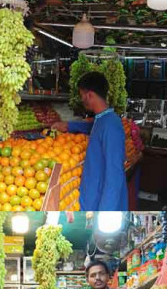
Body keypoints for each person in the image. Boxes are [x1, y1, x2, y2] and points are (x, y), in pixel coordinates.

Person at [51, 72, 128, 210]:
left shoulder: (111, 126)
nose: (82, 99)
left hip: (100, 205)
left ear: (90, 95)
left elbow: (114, 175)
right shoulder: (102, 120)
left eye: (82, 95)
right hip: (91, 199)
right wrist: (69, 126)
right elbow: (93, 127)